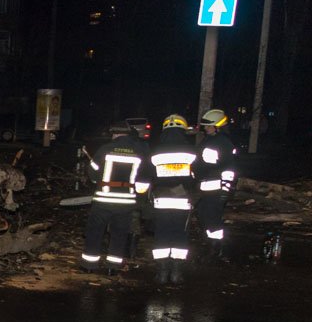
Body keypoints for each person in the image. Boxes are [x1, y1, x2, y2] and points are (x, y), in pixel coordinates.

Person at [79, 125, 152, 274]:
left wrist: (98, 178)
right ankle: (112, 268)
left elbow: (93, 175)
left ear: (114, 134)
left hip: (103, 200)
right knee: (119, 234)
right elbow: (144, 180)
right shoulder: (139, 152)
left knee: (95, 232)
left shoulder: (105, 149)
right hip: (126, 202)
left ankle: (89, 266)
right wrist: (137, 196)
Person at [149, 113, 197, 284]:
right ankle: (176, 273)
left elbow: (148, 176)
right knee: (180, 235)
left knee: (162, 234)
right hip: (183, 200)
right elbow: (197, 176)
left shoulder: (155, 151)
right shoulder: (191, 151)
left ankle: (162, 274)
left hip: (161, 200)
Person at [195, 108, 238, 259]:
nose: (205, 128)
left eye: (208, 126)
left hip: (217, 187)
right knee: (203, 213)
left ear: (217, 126)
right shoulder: (210, 140)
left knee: (212, 218)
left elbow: (229, 167)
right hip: (208, 187)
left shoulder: (223, 143)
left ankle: (216, 248)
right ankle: (213, 244)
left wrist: (226, 188)